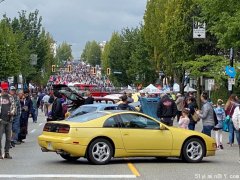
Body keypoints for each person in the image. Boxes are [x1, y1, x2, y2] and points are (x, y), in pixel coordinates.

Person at [0, 85, 16, 159]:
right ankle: (0, 154)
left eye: (6, 89)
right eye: (4, 90)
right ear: (2, 89)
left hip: (9, 120)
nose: (5, 91)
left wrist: (12, 112)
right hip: (1, 121)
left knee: (9, 138)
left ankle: (7, 153)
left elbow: (14, 107)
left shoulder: (10, 97)